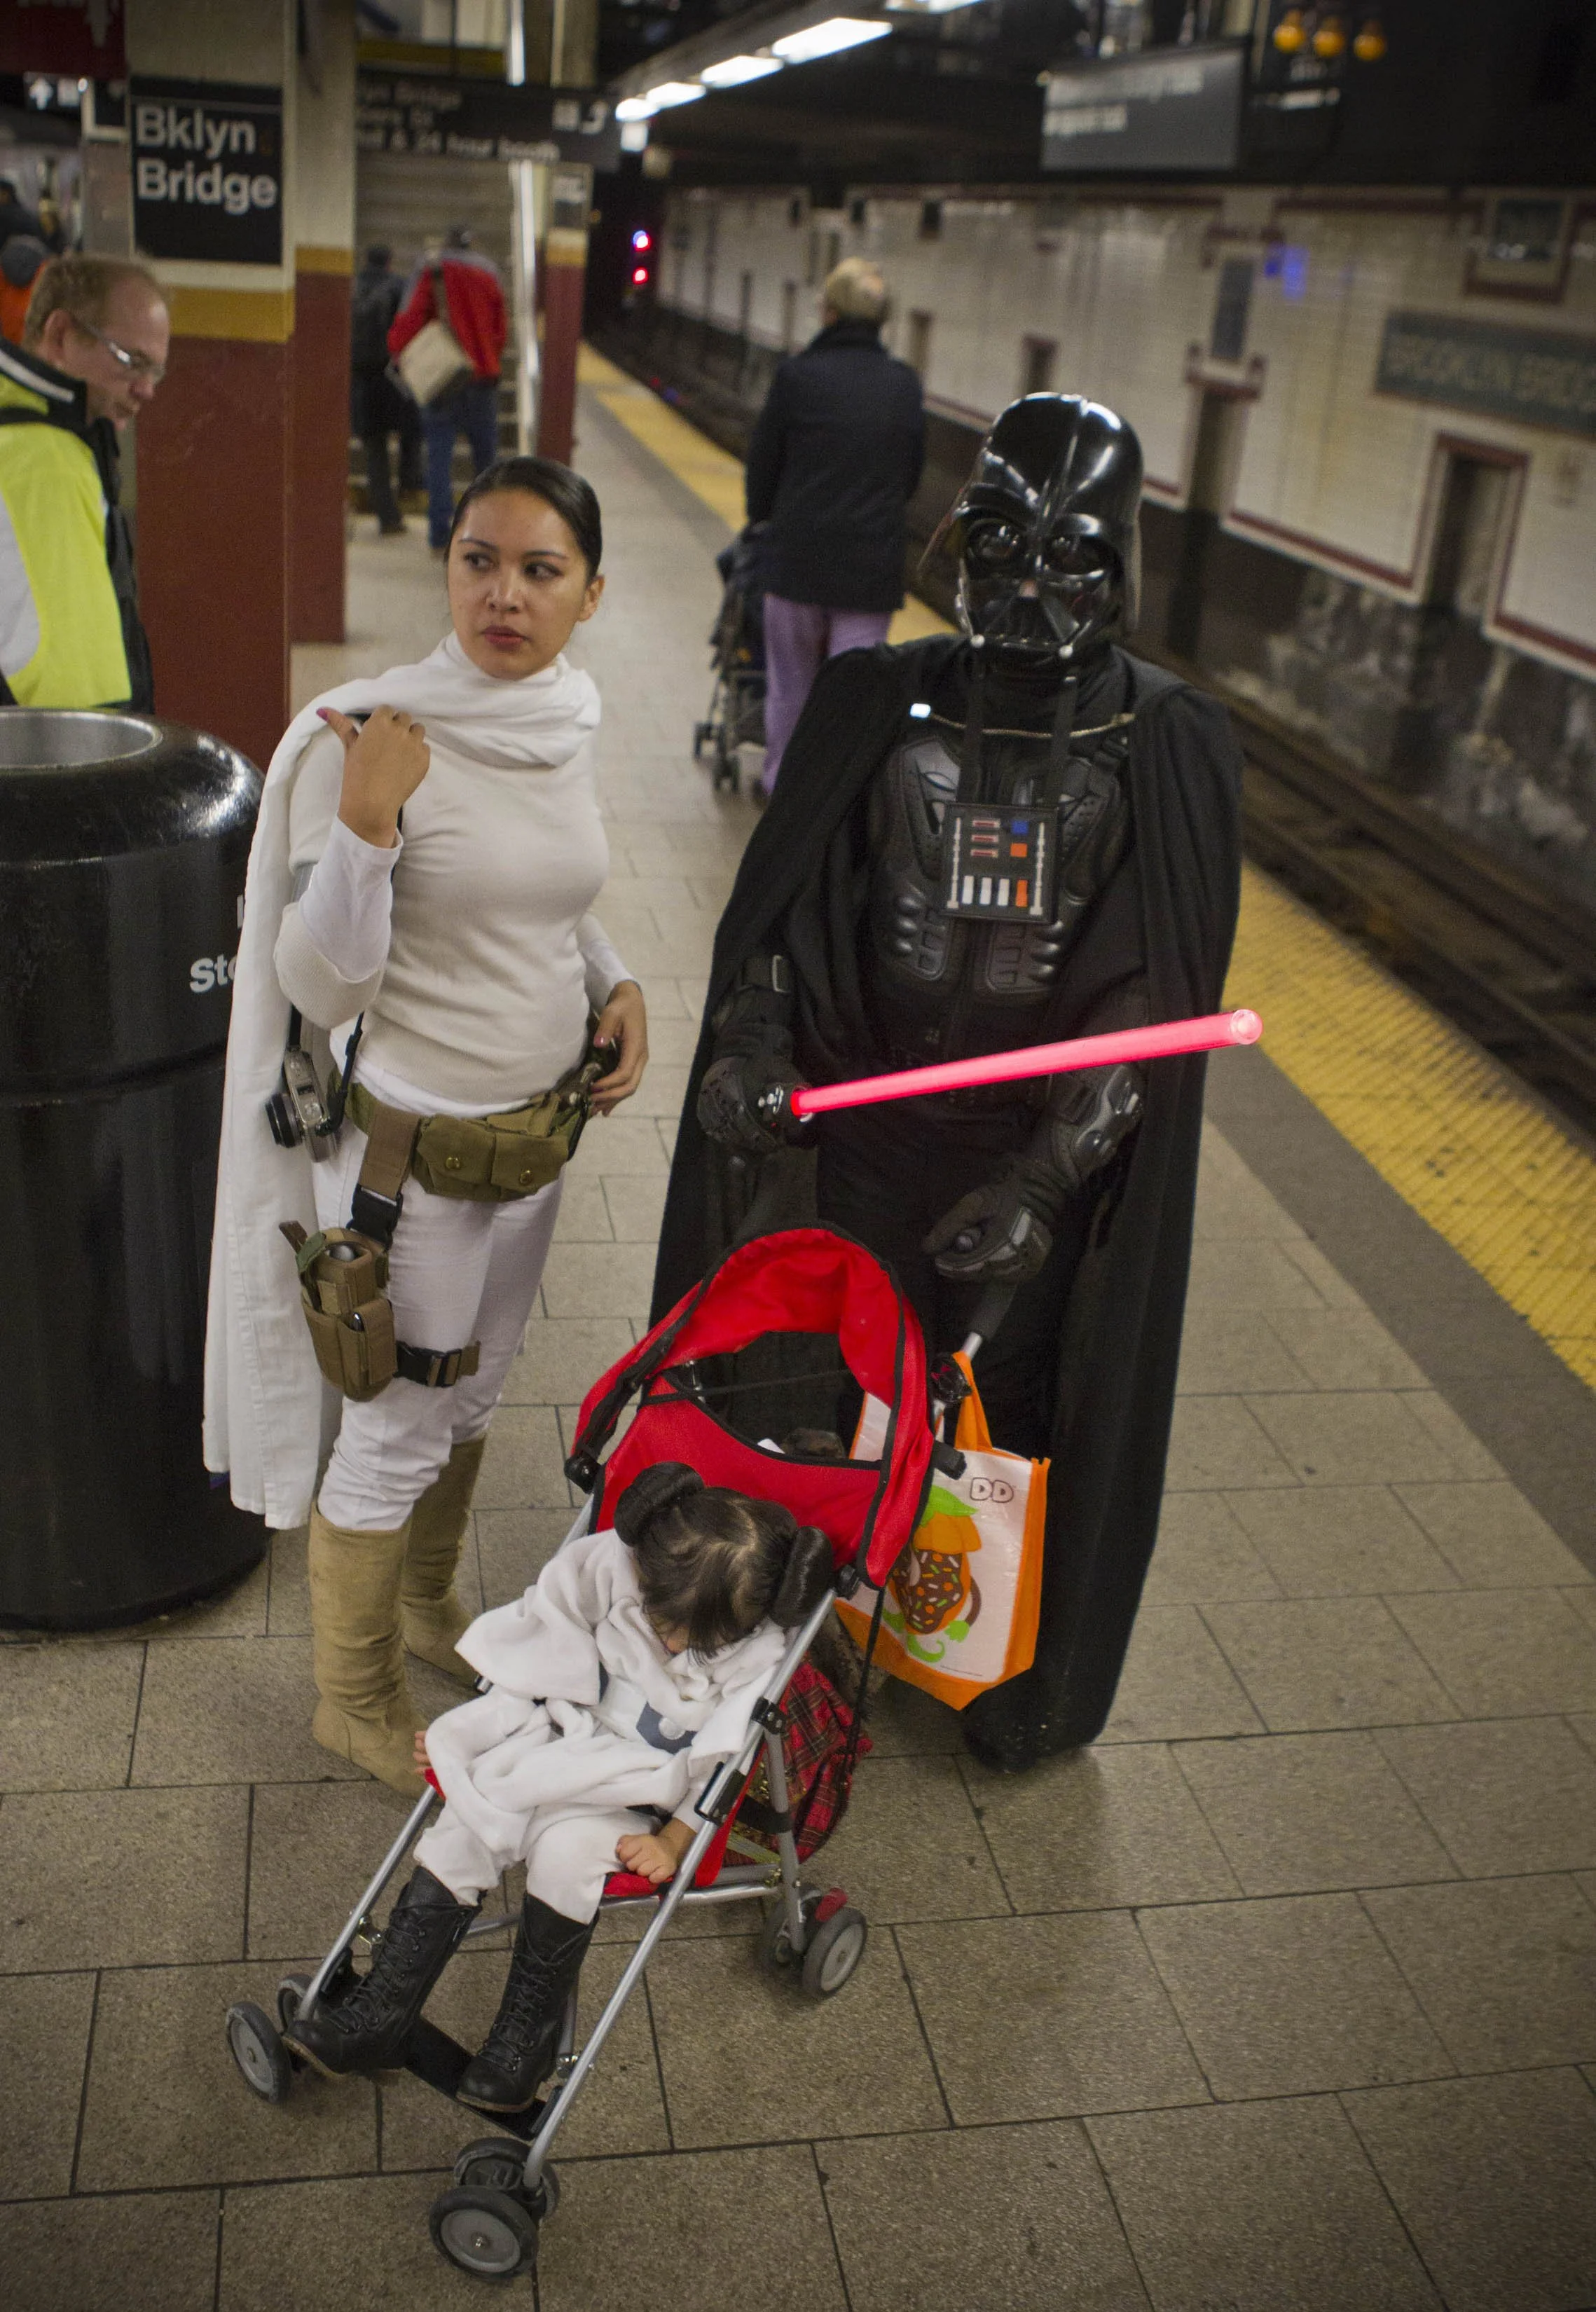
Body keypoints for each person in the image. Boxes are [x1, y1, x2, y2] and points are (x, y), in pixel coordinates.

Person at [653, 394, 1244, 1773]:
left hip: (1017, 1162)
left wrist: (1044, 1174)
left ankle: (978, 1663)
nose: (1027, 589)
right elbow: (785, 917)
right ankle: (757, 1629)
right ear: (953, 538)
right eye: (996, 544)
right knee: (805, 1385)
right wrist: (750, 1043)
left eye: (1069, 557)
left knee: (997, 1431)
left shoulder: (1160, 746)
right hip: (854, 1138)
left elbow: (1143, 998)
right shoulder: (874, 701)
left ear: (1124, 564)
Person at [204, 455, 650, 1794]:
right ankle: (350, 1695)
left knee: (473, 1406)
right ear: (445, 565)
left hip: (534, 1144)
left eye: (538, 570)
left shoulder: (563, 717)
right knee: (399, 1424)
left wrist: (609, 976)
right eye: (476, 559)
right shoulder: (372, 732)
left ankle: (423, 1607)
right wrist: (366, 828)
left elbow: (550, 897)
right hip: (410, 1161)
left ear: (590, 596)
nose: (500, 594)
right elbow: (319, 983)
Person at [282, 1464, 832, 2112]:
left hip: (638, 1789)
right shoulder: (610, 1573)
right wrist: (479, 1728)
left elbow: (724, 1758)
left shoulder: (755, 1657)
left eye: (698, 1640)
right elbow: (539, 1644)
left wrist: (680, 1836)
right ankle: (383, 2009)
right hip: (557, 1735)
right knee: (463, 1823)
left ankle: (525, 2043)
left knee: (566, 1857)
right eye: (665, 1621)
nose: (673, 1642)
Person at [744, 257, 925, 799]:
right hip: (869, 571)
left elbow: (764, 465)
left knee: (791, 690)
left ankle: (782, 790)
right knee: (851, 694)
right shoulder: (902, 385)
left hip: (797, 562)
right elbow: (910, 473)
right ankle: (837, 799)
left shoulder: (797, 376)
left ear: (827, 312)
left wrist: (762, 522)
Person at [0, 254, 167, 710]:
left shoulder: (56, 439)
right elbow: (79, 701)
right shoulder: (41, 461)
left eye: (154, 371)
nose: (145, 389)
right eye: (131, 361)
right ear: (59, 335)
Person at [388, 225, 507, 552]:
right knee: (487, 463)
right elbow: (500, 330)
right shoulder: (490, 273)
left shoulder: (433, 269)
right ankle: (489, 537)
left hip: (444, 380)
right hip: (482, 379)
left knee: (439, 459)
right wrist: (487, 355)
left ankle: (440, 535)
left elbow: (411, 318)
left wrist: (397, 349)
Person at [350, 242, 422, 536]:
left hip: (361, 379)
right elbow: (409, 324)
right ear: (390, 263)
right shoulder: (400, 286)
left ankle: (388, 516)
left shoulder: (352, 287)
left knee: (375, 449)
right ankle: (410, 483)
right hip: (394, 375)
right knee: (413, 431)